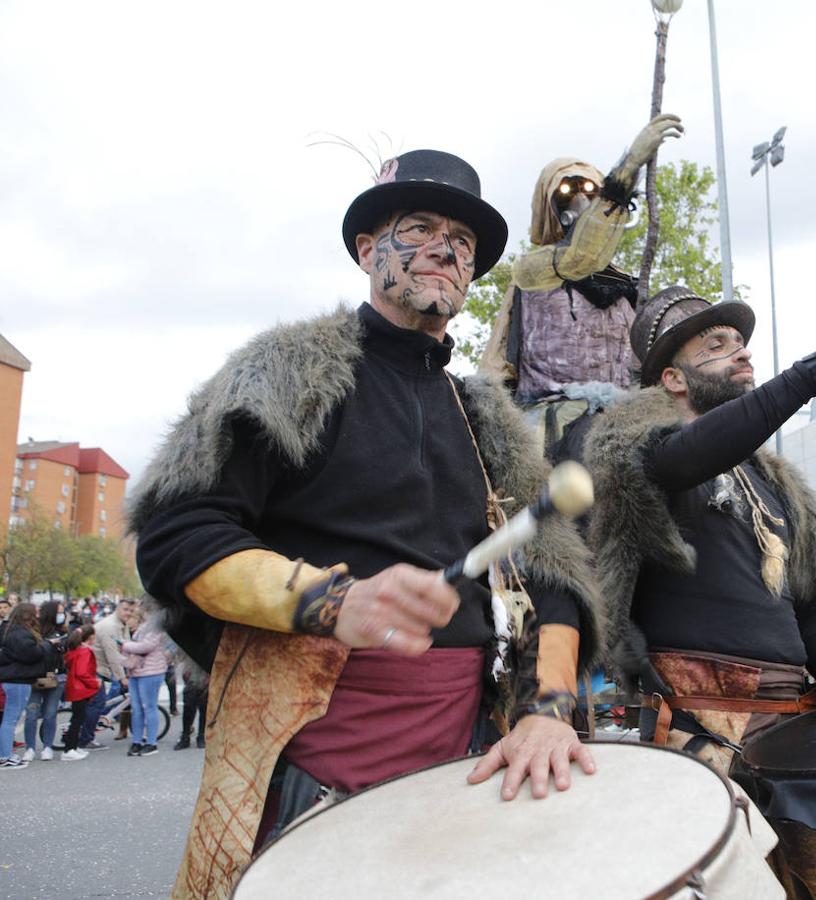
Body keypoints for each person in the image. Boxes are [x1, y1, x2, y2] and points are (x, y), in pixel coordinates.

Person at [129, 149, 603, 898]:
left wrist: (548, 711)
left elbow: (557, 579)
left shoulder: (488, 420)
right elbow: (177, 538)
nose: (446, 248)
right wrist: (335, 600)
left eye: (465, 242)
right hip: (305, 753)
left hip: (465, 752)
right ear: (366, 250)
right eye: (419, 227)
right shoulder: (284, 373)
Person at [584, 286, 816, 772]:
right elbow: (686, 457)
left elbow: (807, 601)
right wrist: (811, 374)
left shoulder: (772, 480)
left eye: (739, 341)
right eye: (716, 345)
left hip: (791, 713)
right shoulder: (639, 454)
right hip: (696, 730)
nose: (741, 350)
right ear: (674, 379)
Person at [481, 115, 684, 459]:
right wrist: (629, 167)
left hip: (627, 423)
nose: (580, 201)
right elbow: (496, 365)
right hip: (551, 429)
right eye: (567, 193)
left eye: (591, 191)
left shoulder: (627, 285)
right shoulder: (532, 271)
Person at [0, 602, 63, 770]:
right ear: (27, 615)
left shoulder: (13, 631)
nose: (38, 615)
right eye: (35, 612)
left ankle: (6, 754)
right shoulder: (21, 634)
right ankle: (5, 756)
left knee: (10, 719)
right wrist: (48, 645)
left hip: (15, 679)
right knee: (10, 720)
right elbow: (30, 654)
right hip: (18, 680)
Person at [81, 598, 135, 750]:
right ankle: (86, 739)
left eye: (131, 611)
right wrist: (122, 677)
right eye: (125, 609)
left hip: (101, 668)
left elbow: (126, 647)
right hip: (95, 669)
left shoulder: (121, 624)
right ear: (117, 609)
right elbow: (112, 655)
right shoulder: (110, 626)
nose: (128, 613)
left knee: (98, 703)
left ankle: (87, 734)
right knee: (96, 704)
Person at [21, 600, 67, 762]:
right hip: (35, 677)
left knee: (50, 713)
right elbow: (31, 652)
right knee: (32, 714)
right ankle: (30, 748)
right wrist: (49, 645)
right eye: (59, 611)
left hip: (57, 677)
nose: (62, 615)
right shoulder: (33, 631)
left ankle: (47, 746)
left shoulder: (60, 631)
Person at [121, 610, 169, 757]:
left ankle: (152, 742)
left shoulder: (156, 627)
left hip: (151, 671)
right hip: (137, 671)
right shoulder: (142, 627)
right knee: (136, 709)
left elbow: (146, 646)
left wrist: (125, 645)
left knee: (149, 707)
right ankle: (137, 741)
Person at [60, 625, 100, 761]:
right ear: (90, 637)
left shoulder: (75, 650)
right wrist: (95, 682)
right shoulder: (85, 652)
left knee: (76, 719)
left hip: (74, 687)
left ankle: (72, 747)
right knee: (78, 720)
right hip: (81, 689)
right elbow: (82, 672)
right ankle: (69, 749)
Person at [173, 647, 208, 751]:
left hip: (205, 676)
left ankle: (201, 736)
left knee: (204, 708)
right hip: (191, 677)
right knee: (188, 708)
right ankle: (185, 736)